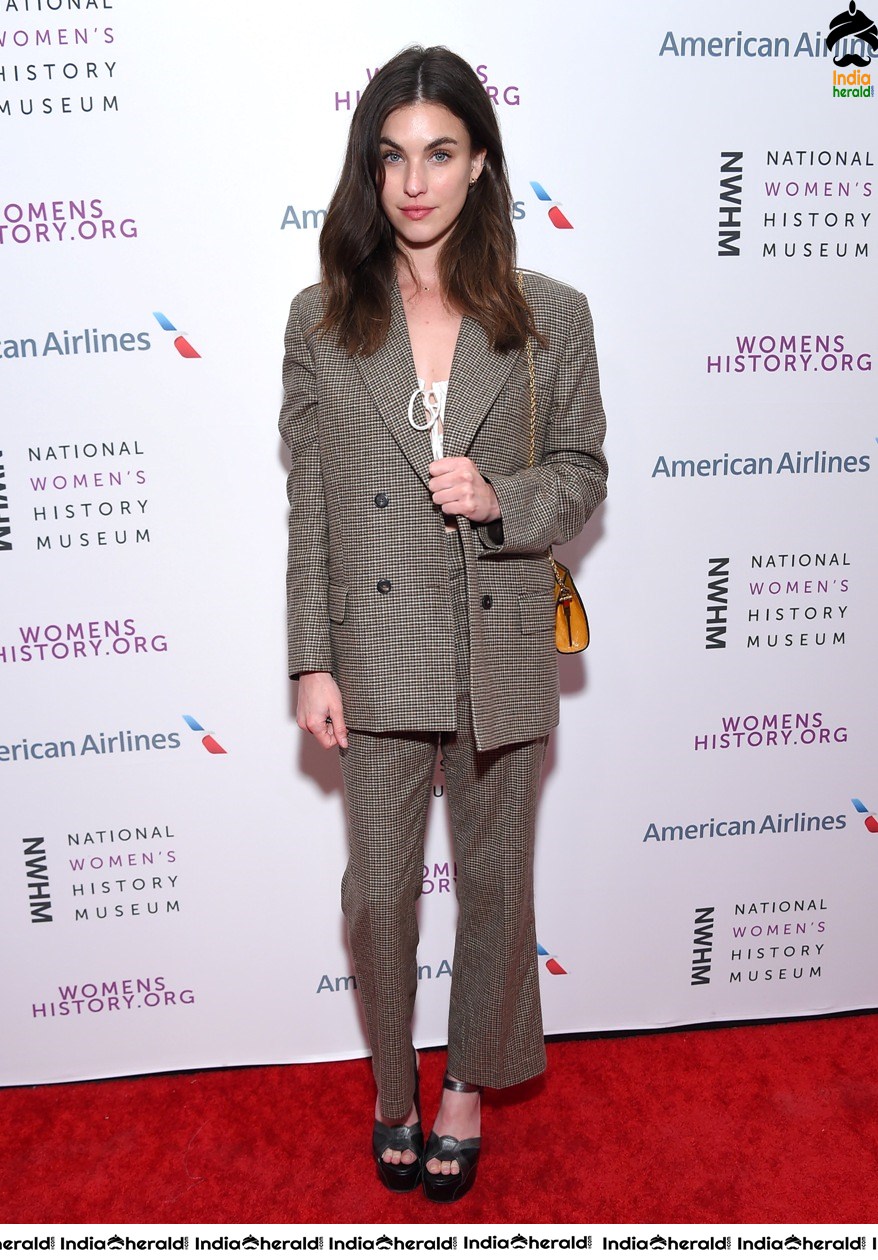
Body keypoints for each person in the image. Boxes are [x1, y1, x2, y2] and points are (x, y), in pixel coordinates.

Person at [279, 45, 607, 1203]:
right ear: (369, 172)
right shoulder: (321, 319)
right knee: (376, 895)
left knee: (496, 883)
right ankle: (391, 1087)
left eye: (438, 152)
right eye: (390, 156)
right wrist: (310, 658)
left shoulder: (548, 317)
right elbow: (310, 503)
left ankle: (464, 1084)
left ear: (479, 165)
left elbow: (581, 471)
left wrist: (504, 497)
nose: (413, 182)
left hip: (495, 643)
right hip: (373, 656)